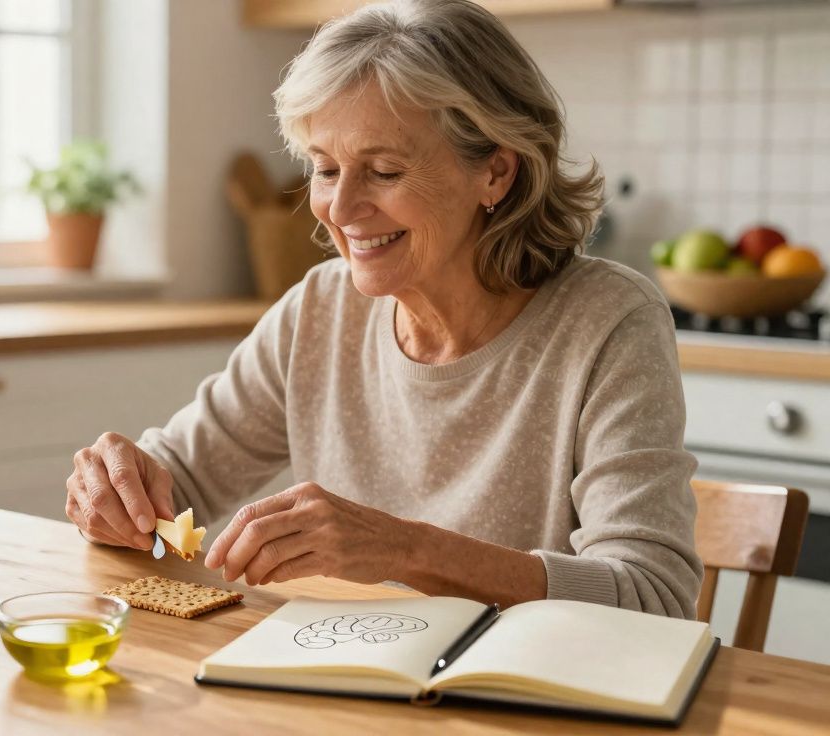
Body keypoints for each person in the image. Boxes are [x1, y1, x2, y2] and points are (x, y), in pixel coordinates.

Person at [64, 0, 702, 618]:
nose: (340, 211)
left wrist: (405, 549)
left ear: (496, 174)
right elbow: (179, 485)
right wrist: (120, 490)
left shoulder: (609, 320)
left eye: (385, 172)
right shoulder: (319, 309)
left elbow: (652, 596)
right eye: (325, 169)